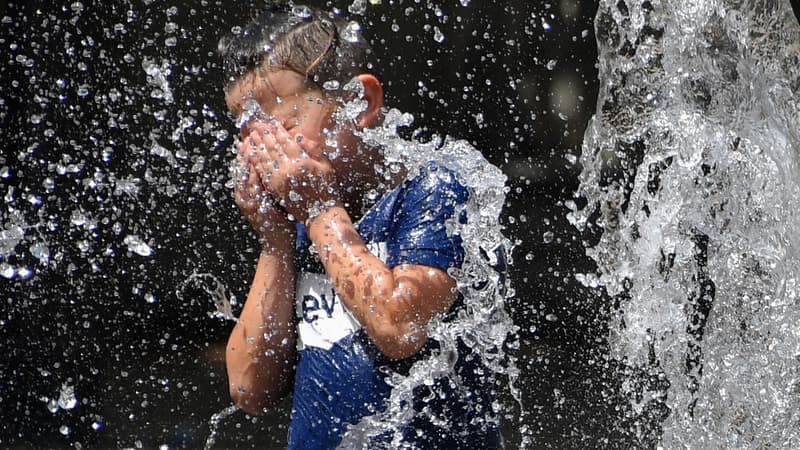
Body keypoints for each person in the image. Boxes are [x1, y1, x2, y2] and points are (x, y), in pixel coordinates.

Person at [218, 4, 502, 449]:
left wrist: (320, 212)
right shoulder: (304, 219)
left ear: (359, 102)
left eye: (283, 128)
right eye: (251, 137)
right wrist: (275, 243)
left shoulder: (431, 191)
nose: (267, 155)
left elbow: (399, 327)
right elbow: (249, 387)